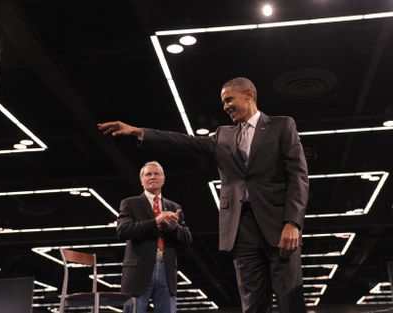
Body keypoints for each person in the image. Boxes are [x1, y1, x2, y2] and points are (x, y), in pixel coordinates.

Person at [99, 77, 309, 313]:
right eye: (223, 102)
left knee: (290, 300)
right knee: (252, 304)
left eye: (229, 99)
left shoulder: (282, 126)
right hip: (240, 229)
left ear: (249, 94)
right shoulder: (224, 135)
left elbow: (298, 176)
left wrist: (293, 222)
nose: (225, 106)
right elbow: (183, 142)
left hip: (279, 225)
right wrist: (138, 131)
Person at [117, 161, 192, 313]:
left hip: (167, 269)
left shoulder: (174, 207)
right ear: (142, 180)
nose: (152, 177)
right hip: (138, 271)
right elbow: (123, 231)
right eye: (148, 174)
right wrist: (156, 221)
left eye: (156, 173)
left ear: (163, 179)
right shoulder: (130, 203)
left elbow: (188, 239)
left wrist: (175, 228)